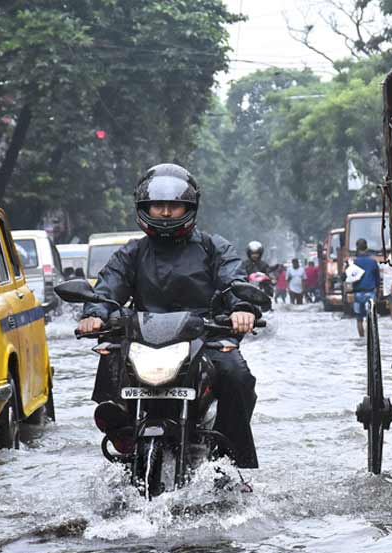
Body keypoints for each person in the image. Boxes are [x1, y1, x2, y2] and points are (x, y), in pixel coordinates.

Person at [76, 163, 262, 470]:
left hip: (206, 337)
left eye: (173, 207)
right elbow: (108, 287)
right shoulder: (132, 253)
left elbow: (234, 281)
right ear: (144, 208)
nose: (165, 213)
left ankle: (230, 461)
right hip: (142, 340)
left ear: (189, 208)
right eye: (158, 206)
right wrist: (95, 314)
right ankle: (121, 431)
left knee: (237, 375)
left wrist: (242, 308)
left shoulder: (214, 247)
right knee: (109, 355)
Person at [351, 238, 381, 337]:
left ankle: (361, 339)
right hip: (370, 293)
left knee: (359, 319)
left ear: (357, 248)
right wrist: (378, 291)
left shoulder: (354, 262)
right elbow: (377, 278)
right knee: (371, 319)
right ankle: (371, 340)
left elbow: (348, 277)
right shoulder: (373, 262)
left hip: (358, 293)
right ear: (366, 247)